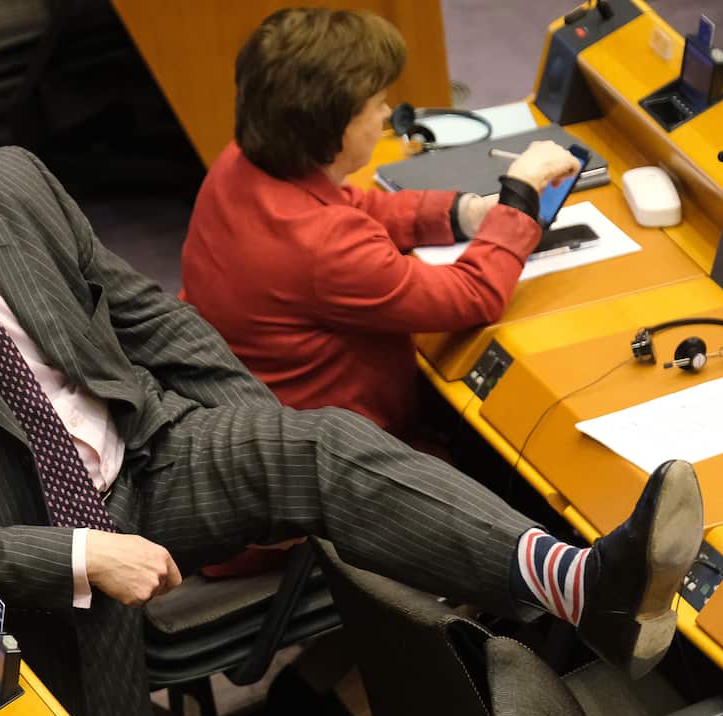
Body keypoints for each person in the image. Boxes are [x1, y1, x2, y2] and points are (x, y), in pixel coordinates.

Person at [0, 32, 703, 716]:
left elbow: (138, 313)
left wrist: (257, 430)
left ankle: (583, 586)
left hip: (150, 453)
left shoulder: (9, 180)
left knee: (318, 441)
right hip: (43, 560)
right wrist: (86, 555)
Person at [180, 8, 571, 445]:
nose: (386, 113)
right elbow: (471, 296)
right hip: (336, 456)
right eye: (376, 104)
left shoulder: (241, 161)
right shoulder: (327, 247)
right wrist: (519, 197)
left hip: (251, 410)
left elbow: (355, 205)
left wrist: (467, 213)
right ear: (336, 129)